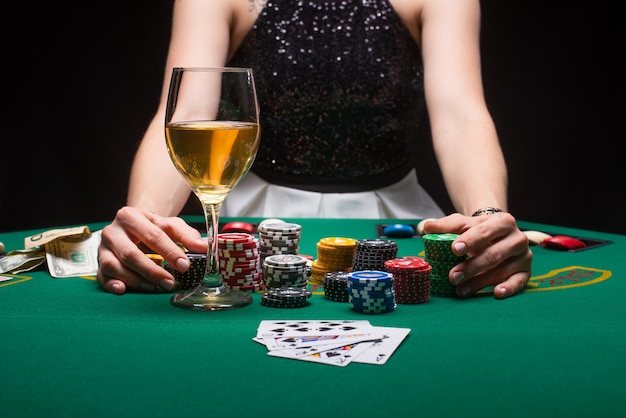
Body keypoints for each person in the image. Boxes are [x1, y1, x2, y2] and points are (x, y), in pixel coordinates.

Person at [97, 0, 532, 298]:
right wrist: (144, 226)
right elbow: (185, 116)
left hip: (396, 228)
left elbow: (461, 114)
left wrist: (487, 221)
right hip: (255, 229)